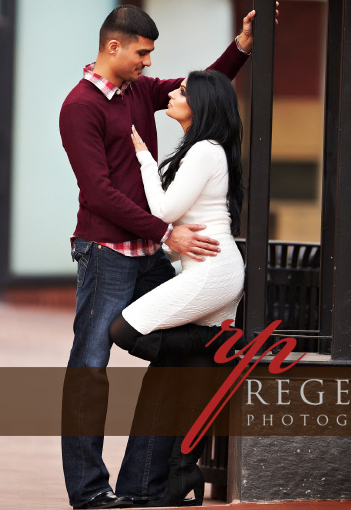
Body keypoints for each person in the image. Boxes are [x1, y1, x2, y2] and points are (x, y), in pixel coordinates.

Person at [59, 4, 262, 509]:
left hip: (149, 254)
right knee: (89, 368)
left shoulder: (137, 92)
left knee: (179, 357)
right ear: (115, 47)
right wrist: (167, 232)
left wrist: (241, 46)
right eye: (143, 54)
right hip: (106, 253)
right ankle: (88, 494)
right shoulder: (80, 107)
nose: (151, 66)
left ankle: (144, 484)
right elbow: (100, 192)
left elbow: (203, 90)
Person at [108, 70, 246, 507]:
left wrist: (145, 158)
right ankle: (182, 473)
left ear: (202, 104)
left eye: (183, 91)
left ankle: (221, 340)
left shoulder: (205, 151)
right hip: (208, 271)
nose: (171, 92)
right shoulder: (203, 150)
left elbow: (165, 210)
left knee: (125, 330)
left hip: (211, 272)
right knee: (191, 373)